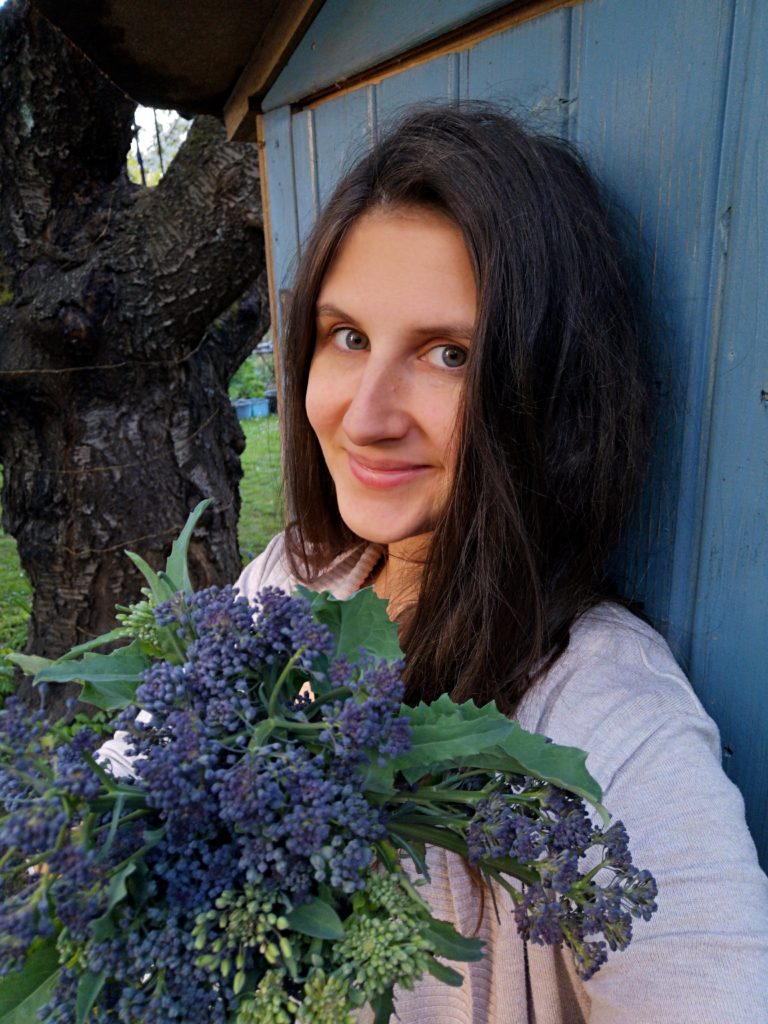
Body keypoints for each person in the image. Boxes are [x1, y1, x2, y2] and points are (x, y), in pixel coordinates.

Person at [235, 104, 768, 1023]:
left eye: (449, 355)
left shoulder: (605, 728)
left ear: (547, 386)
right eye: (348, 337)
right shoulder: (291, 577)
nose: (366, 416)